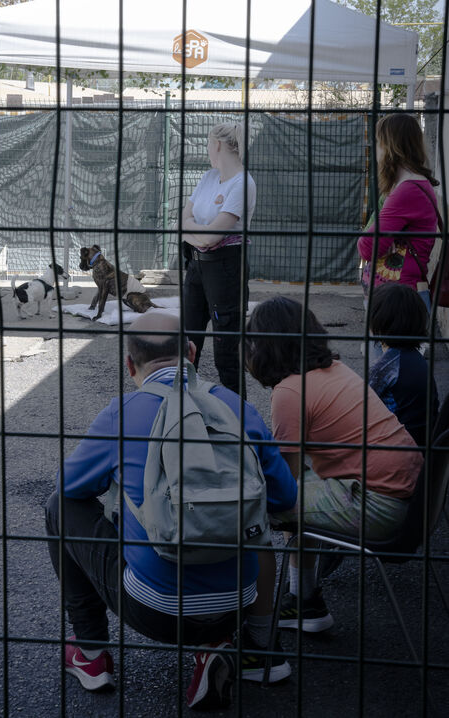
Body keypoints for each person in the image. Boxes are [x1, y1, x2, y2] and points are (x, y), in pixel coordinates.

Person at [45, 312, 297, 710]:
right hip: (237, 604)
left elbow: (68, 487)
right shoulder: (238, 408)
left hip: (155, 610)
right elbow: (284, 498)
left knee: (59, 507)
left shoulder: (121, 414)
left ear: (130, 365)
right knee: (254, 519)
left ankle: (90, 652)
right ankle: (231, 645)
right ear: (192, 353)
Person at [245, 296, 423, 633]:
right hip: (409, 499)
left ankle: (253, 612)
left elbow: (284, 486)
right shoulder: (336, 369)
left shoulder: (290, 392)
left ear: (264, 346)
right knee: (298, 492)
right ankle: (304, 600)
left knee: (254, 504)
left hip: (380, 507)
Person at [182, 122, 257, 394]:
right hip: (196, 266)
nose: (207, 149)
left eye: (207, 144)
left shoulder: (243, 183)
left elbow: (212, 237)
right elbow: (184, 221)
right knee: (187, 342)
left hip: (226, 269)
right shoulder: (208, 177)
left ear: (217, 145)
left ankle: (237, 412)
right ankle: (184, 403)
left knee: (226, 352)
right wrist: (201, 238)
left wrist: (197, 233)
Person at [358, 113, 439, 311]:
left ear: (390, 146)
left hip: (397, 303)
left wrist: (379, 237)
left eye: (378, 142)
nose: (375, 149)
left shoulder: (408, 190)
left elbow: (367, 247)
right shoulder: (407, 185)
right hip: (393, 298)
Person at [369, 282, 439, 446]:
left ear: (379, 321)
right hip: (425, 443)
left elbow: (360, 407)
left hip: (397, 447)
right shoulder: (416, 358)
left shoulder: (386, 366)